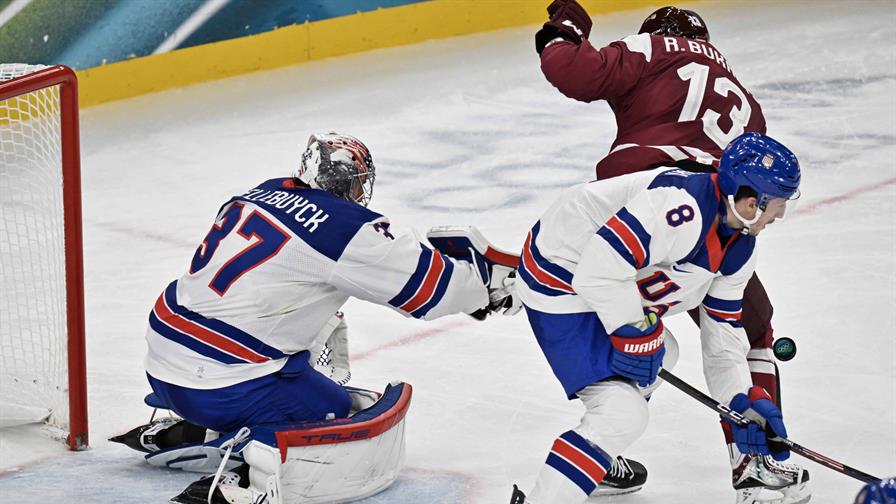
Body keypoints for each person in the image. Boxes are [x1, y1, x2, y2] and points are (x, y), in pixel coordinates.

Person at [535, 3, 808, 502]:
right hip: (709, 218)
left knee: (651, 336)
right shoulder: (744, 99)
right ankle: (753, 461)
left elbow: (571, 71)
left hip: (650, 211)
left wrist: (564, 28)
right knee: (751, 327)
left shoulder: (655, 49)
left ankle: (601, 438)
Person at [138, 131, 510, 442]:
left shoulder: (256, 193)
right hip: (221, 385)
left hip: (160, 361)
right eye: (358, 182)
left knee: (296, 321)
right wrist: (485, 288)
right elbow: (429, 291)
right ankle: (250, 465)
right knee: (331, 412)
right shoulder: (342, 227)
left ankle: (196, 422)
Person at [508, 132, 801, 504]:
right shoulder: (681, 211)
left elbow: (723, 344)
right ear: (749, 201)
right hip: (558, 270)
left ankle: (595, 452)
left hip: (601, 275)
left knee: (663, 354)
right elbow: (597, 271)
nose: (780, 214)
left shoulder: (739, 247)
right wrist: (632, 330)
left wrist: (740, 404)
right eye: (776, 203)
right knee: (623, 415)